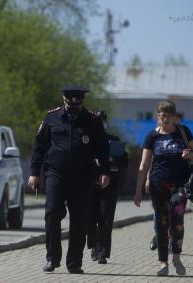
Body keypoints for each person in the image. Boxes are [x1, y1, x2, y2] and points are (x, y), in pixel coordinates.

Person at [28, 85, 110, 274]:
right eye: (70, 104)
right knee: (52, 214)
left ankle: (74, 263)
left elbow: (103, 149)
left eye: (77, 105)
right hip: (56, 174)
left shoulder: (92, 121)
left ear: (82, 103)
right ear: (64, 101)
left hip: (82, 176)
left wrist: (104, 171)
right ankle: (52, 258)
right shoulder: (52, 118)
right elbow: (39, 146)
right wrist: (34, 172)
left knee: (79, 220)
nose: (73, 108)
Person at [134, 100, 193, 276]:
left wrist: (189, 154)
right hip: (158, 185)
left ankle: (177, 257)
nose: (164, 119)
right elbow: (143, 164)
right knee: (161, 223)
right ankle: (163, 263)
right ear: (158, 116)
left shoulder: (183, 132)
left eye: (168, 116)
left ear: (174, 117)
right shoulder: (152, 136)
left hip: (180, 185)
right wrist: (138, 191)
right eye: (161, 116)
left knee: (177, 220)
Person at [87, 110, 129, 264]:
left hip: (110, 183)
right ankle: (93, 245)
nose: (101, 123)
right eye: (98, 120)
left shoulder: (114, 140)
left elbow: (125, 162)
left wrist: (113, 158)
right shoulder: (86, 140)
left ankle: (102, 253)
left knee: (105, 218)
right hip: (90, 184)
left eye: (103, 120)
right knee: (90, 218)